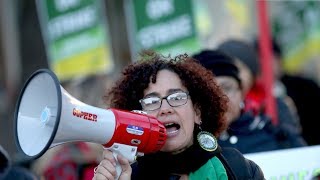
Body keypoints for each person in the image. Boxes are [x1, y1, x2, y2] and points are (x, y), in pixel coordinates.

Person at [93, 51, 264, 179]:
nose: (165, 108)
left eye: (176, 98)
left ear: (197, 112)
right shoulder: (128, 176)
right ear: (137, 116)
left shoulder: (239, 169)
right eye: (152, 102)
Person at [193, 49, 306, 154]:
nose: (220, 98)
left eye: (227, 88)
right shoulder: (190, 148)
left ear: (241, 90)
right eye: (209, 90)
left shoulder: (277, 136)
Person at [267, 38, 320, 146]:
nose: (266, 66)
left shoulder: (306, 86)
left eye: (270, 59)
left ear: (279, 59)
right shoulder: (253, 95)